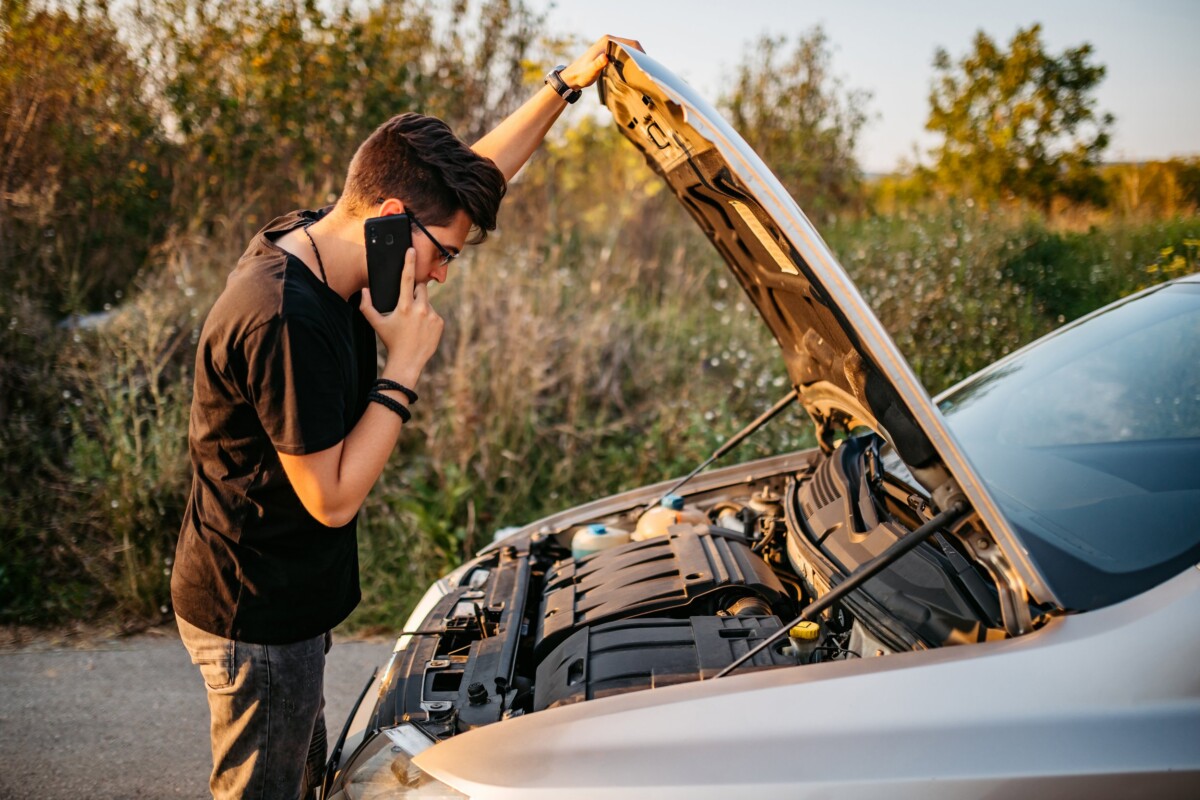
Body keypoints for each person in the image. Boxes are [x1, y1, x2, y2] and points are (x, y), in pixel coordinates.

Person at [171, 35, 640, 800]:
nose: (444, 273)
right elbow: (331, 498)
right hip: (257, 613)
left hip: (286, 595)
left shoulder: (331, 240)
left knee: (301, 780)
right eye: (444, 252)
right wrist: (406, 365)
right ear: (390, 218)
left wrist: (564, 88)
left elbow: (472, 180)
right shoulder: (285, 318)